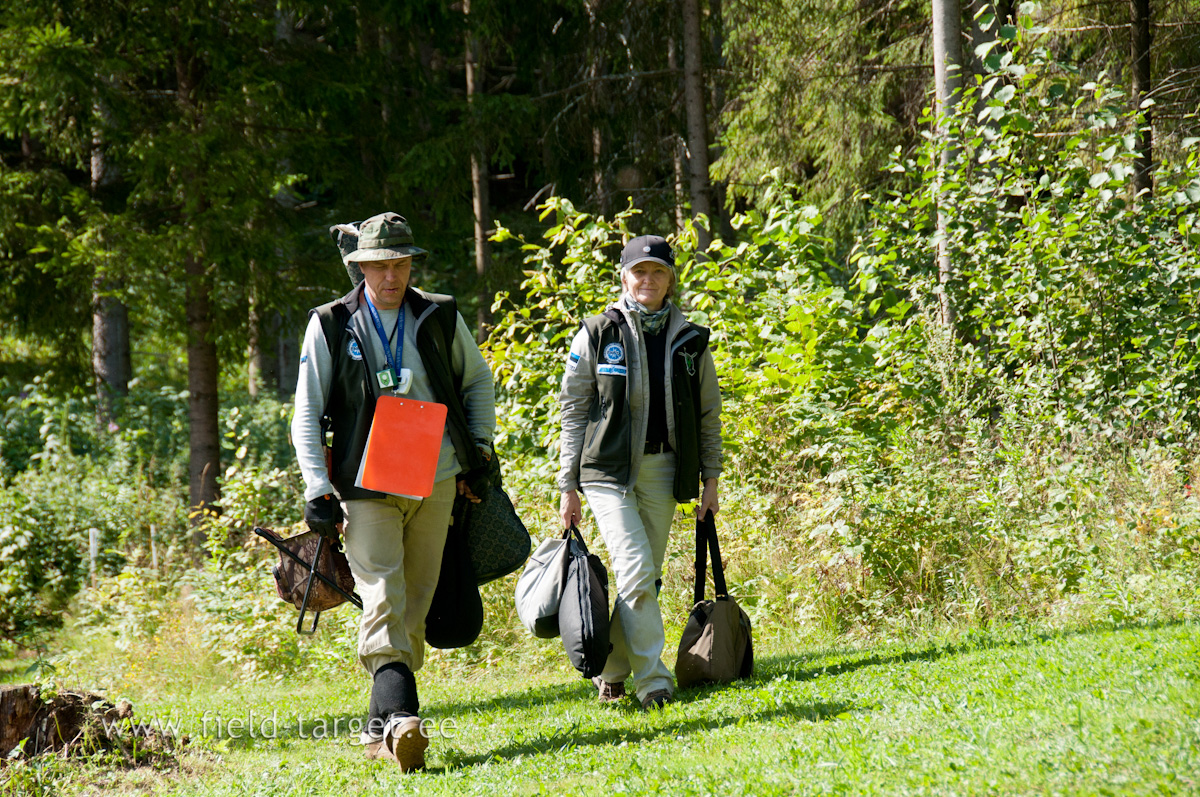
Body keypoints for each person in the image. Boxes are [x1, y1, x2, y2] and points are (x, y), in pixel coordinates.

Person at [291, 212, 496, 770]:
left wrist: (480, 449)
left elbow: (478, 382)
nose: (392, 276)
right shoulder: (331, 323)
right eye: (380, 265)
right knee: (382, 592)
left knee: (414, 605)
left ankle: (380, 727)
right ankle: (407, 721)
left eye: (401, 264)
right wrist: (317, 486)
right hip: (364, 485)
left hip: (437, 477)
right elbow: (306, 413)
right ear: (360, 266)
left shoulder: (440, 314)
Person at [557, 234, 722, 711]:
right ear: (624, 277)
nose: (648, 280)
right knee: (633, 570)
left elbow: (708, 413)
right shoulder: (596, 332)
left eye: (658, 272)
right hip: (606, 473)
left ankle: (610, 670)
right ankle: (653, 682)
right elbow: (573, 410)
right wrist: (568, 484)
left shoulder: (692, 340)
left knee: (643, 580)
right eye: (639, 271)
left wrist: (711, 480)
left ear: (671, 281)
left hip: (664, 471)